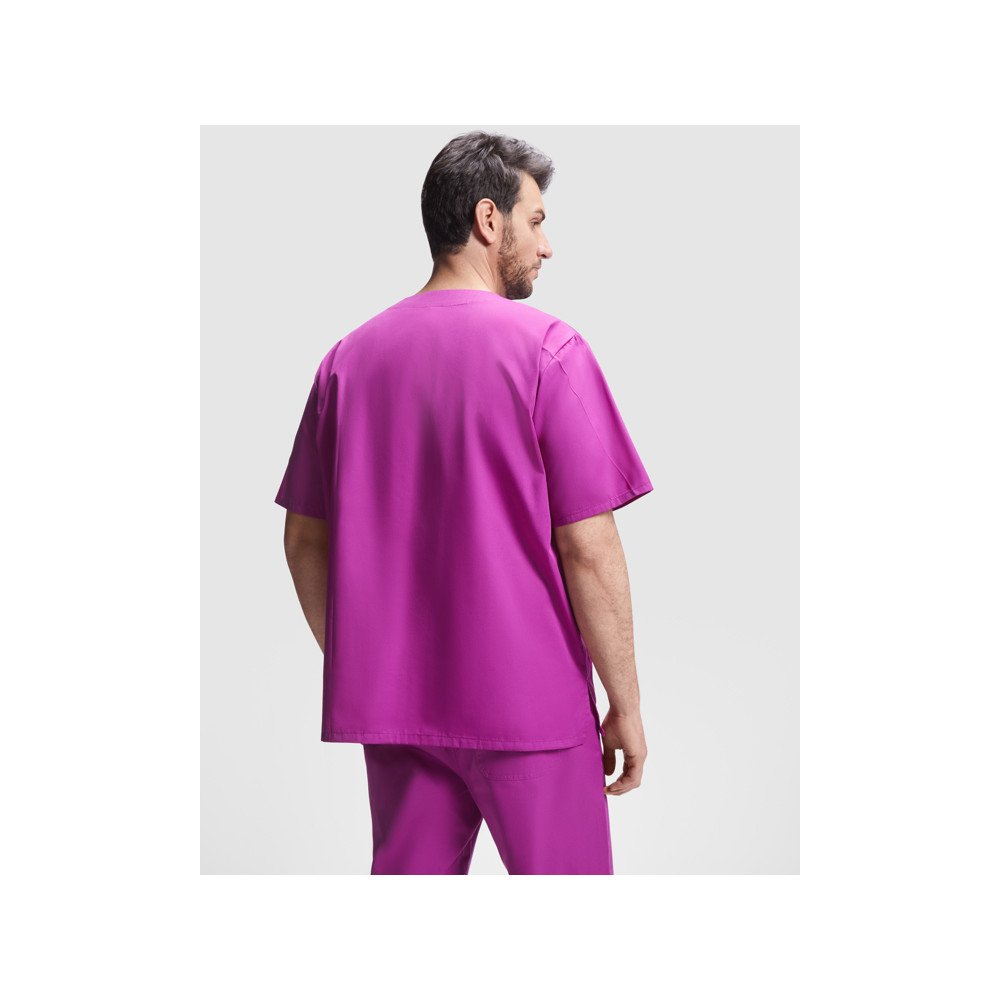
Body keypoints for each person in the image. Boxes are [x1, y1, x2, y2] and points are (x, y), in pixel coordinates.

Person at [274, 131, 654, 875]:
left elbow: (302, 542)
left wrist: (377, 660)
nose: (547, 246)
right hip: (531, 710)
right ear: (488, 219)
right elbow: (588, 547)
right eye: (536, 221)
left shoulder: (346, 362)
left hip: (399, 716)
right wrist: (627, 703)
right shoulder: (548, 352)